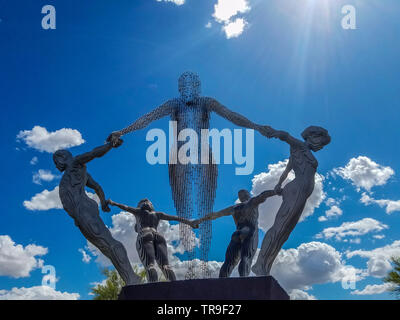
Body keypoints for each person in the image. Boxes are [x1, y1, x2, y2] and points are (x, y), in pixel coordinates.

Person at [106, 71, 267, 277]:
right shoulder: (173, 104)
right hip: (179, 158)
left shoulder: (207, 102)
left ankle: (205, 270)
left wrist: (256, 126)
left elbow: (231, 115)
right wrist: (123, 131)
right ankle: (190, 270)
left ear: (198, 88)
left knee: (204, 210)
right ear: (180, 89)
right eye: (184, 87)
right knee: (183, 208)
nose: (188, 90)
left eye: (192, 86)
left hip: (204, 156)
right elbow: (147, 118)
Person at [53, 140, 141, 285]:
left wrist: (109, 145)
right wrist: (103, 201)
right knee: (105, 247)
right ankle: (130, 279)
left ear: (62, 157)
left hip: (83, 209)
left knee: (109, 242)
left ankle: (132, 278)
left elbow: (93, 154)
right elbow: (97, 187)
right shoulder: (80, 173)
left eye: (55, 161)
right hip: (80, 215)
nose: (56, 165)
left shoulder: (75, 164)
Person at [251, 125, 331, 276]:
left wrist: (279, 184)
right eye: (321, 142)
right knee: (280, 227)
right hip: (297, 189)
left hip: (301, 192)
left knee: (285, 232)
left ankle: (265, 266)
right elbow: (286, 135)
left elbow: (287, 169)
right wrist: (275, 133)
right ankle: (259, 263)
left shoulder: (299, 151)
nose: (321, 146)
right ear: (312, 137)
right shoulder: (299, 145)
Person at [107, 198, 199, 282]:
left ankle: (152, 289)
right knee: (165, 266)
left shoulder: (139, 212)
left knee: (150, 265)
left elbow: (125, 207)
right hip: (158, 236)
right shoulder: (158, 214)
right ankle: (174, 286)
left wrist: (113, 203)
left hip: (145, 234)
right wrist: (190, 222)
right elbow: (175, 218)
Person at [194, 189, 276, 278]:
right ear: (248, 195)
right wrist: (276, 191)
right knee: (246, 258)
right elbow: (263, 195)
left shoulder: (234, 208)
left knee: (228, 262)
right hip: (249, 232)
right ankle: (243, 281)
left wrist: (199, 220)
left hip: (237, 233)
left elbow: (215, 215)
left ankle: (221, 283)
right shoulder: (252, 202)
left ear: (240, 198)